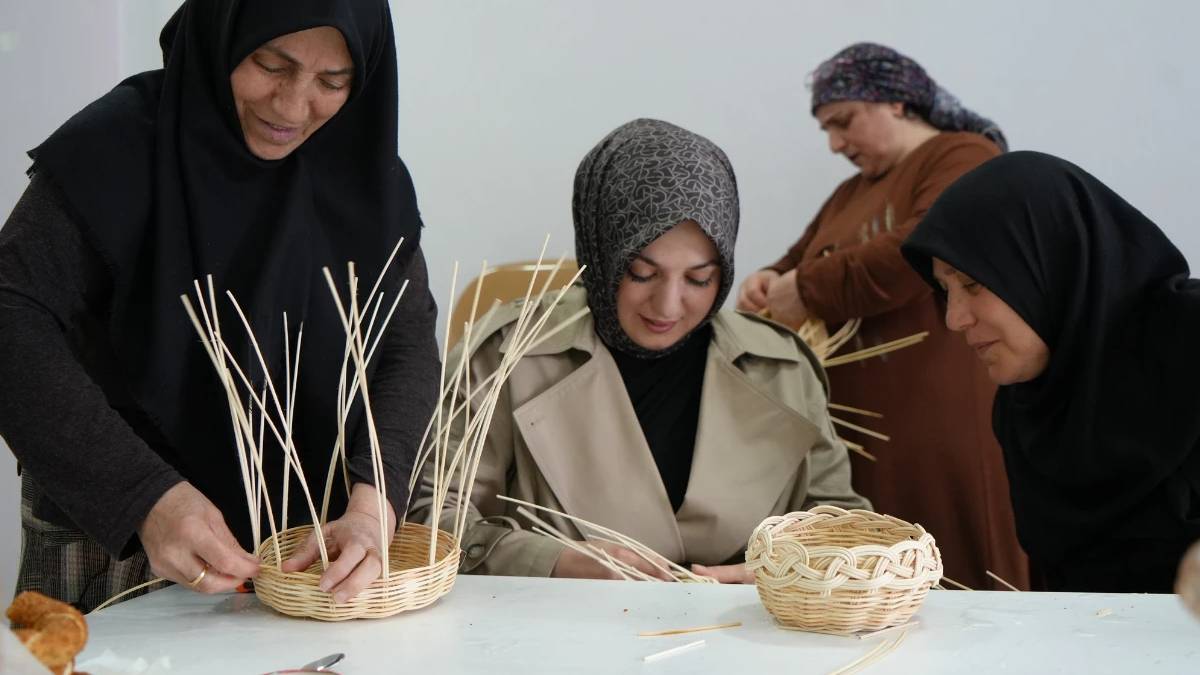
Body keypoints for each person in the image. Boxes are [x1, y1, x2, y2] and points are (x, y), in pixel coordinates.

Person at [0, 0, 439, 611]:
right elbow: (12, 319)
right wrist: (145, 496)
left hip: (304, 550)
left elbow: (403, 345)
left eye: (331, 82)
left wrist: (374, 502)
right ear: (223, 33)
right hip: (113, 542)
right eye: (270, 64)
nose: (291, 106)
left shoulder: (363, 176)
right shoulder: (118, 146)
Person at [410, 118, 867, 583]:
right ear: (602, 249)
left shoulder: (781, 366)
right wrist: (552, 562)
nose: (668, 305)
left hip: (746, 635)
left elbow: (843, 528)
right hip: (554, 633)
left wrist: (775, 573)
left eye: (699, 279)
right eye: (641, 273)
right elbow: (429, 516)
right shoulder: (510, 353)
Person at [735, 42, 1026, 590]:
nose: (835, 143)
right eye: (826, 129)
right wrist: (766, 282)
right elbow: (801, 257)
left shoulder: (964, 156)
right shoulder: (851, 192)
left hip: (940, 417)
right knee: (881, 579)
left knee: (962, 564)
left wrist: (805, 287)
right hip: (866, 430)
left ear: (896, 102)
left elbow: (914, 251)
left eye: (843, 122)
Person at [901, 151, 1200, 593]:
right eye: (945, 291)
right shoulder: (1027, 407)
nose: (954, 319)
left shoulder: (1188, 339)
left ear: (1049, 261)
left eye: (972, 284)